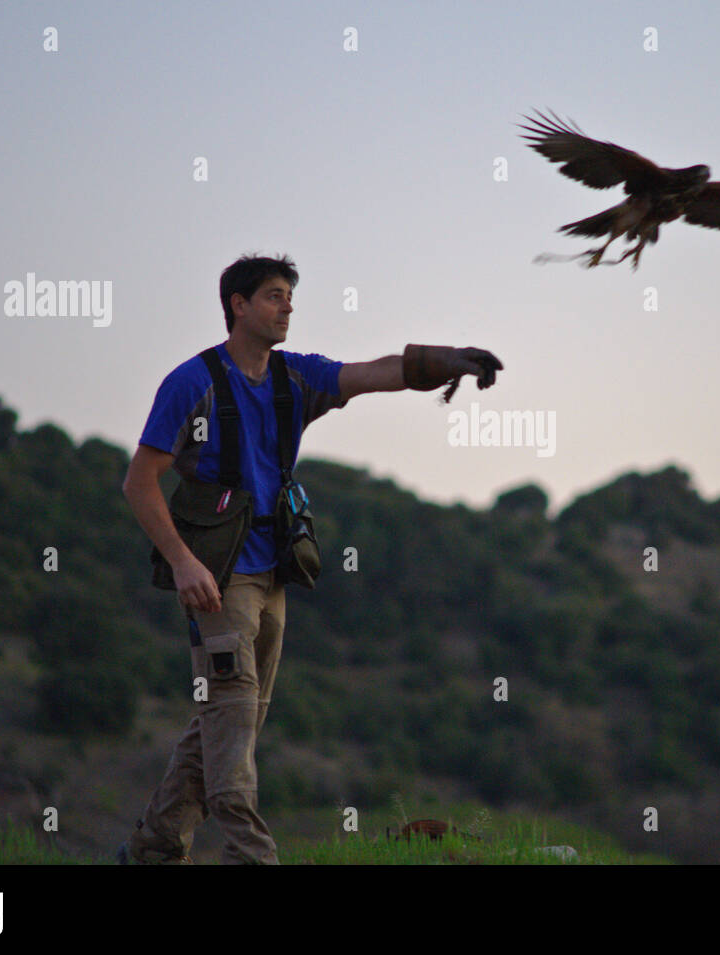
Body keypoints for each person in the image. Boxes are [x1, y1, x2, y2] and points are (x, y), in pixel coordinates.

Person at [118, 253, 502, 864]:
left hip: (275, 574)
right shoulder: (190, 382)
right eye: (274, 295)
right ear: (238, 305)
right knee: (234, 722)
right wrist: (183, 562)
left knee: (231, 718)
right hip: (220, 580)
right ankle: (253, 857)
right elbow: (140, 482)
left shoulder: (294, 377)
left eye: (290, 296)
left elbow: (374, 373)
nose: (288, 306)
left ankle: (153, 849)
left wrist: (449, 361)